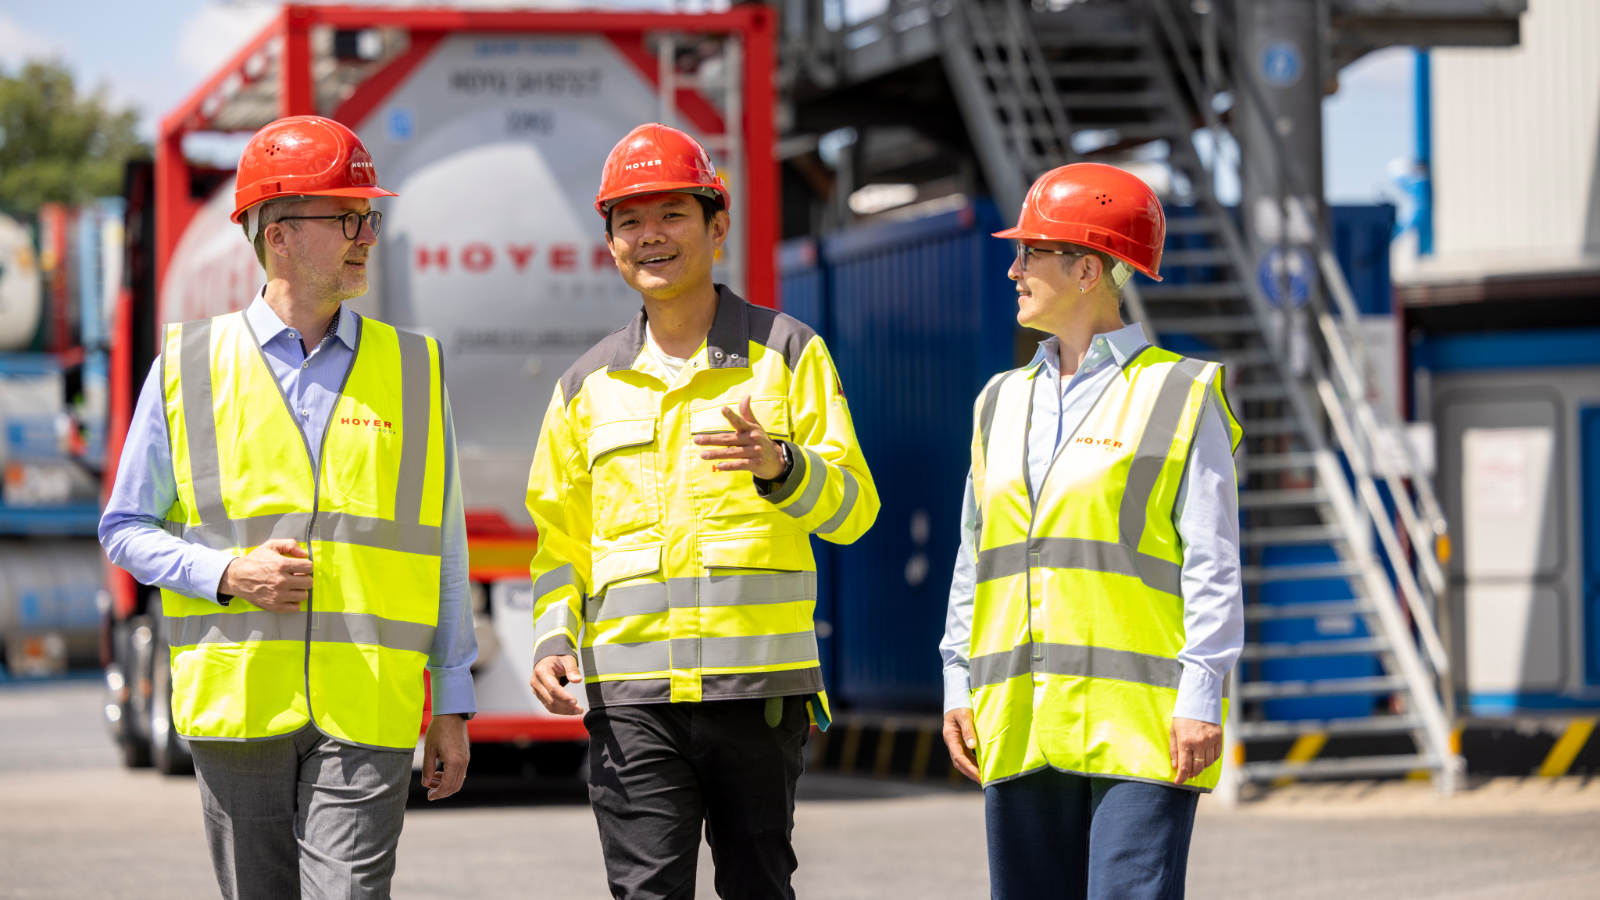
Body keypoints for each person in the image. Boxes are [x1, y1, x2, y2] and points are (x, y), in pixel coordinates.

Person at [100, 115, 475, 900]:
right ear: (277, 234)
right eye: (346, 216)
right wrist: (228, 571)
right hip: (240, 702)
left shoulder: (415, 366)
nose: (366, 233)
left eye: (369, 216)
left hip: (370, 701)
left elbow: (442, 544)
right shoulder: (186, 366)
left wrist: (455, 701)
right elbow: (124, 528)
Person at [526, 123, 878, 900]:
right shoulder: (586, 387)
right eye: (629, 221)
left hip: (758, 694)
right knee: (646, 892)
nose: (650, 236)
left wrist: (783, 466)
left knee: (759, 886)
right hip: (630, 699)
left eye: (671, 215)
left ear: (718, 226)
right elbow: (560, 541)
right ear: (611, 243)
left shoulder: (787, 353)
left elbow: (854, 509)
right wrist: (555, 635)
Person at [938, 163, 1244, 899]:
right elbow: (974, 558)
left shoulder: (1179, 392)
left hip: (1140, 725)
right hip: (1018, 718)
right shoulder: (999, 401)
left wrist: (1202, 693)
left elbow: (1212, 560)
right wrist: (957, 679)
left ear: (1087, 268)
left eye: (1029, 253)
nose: (1012, 269)